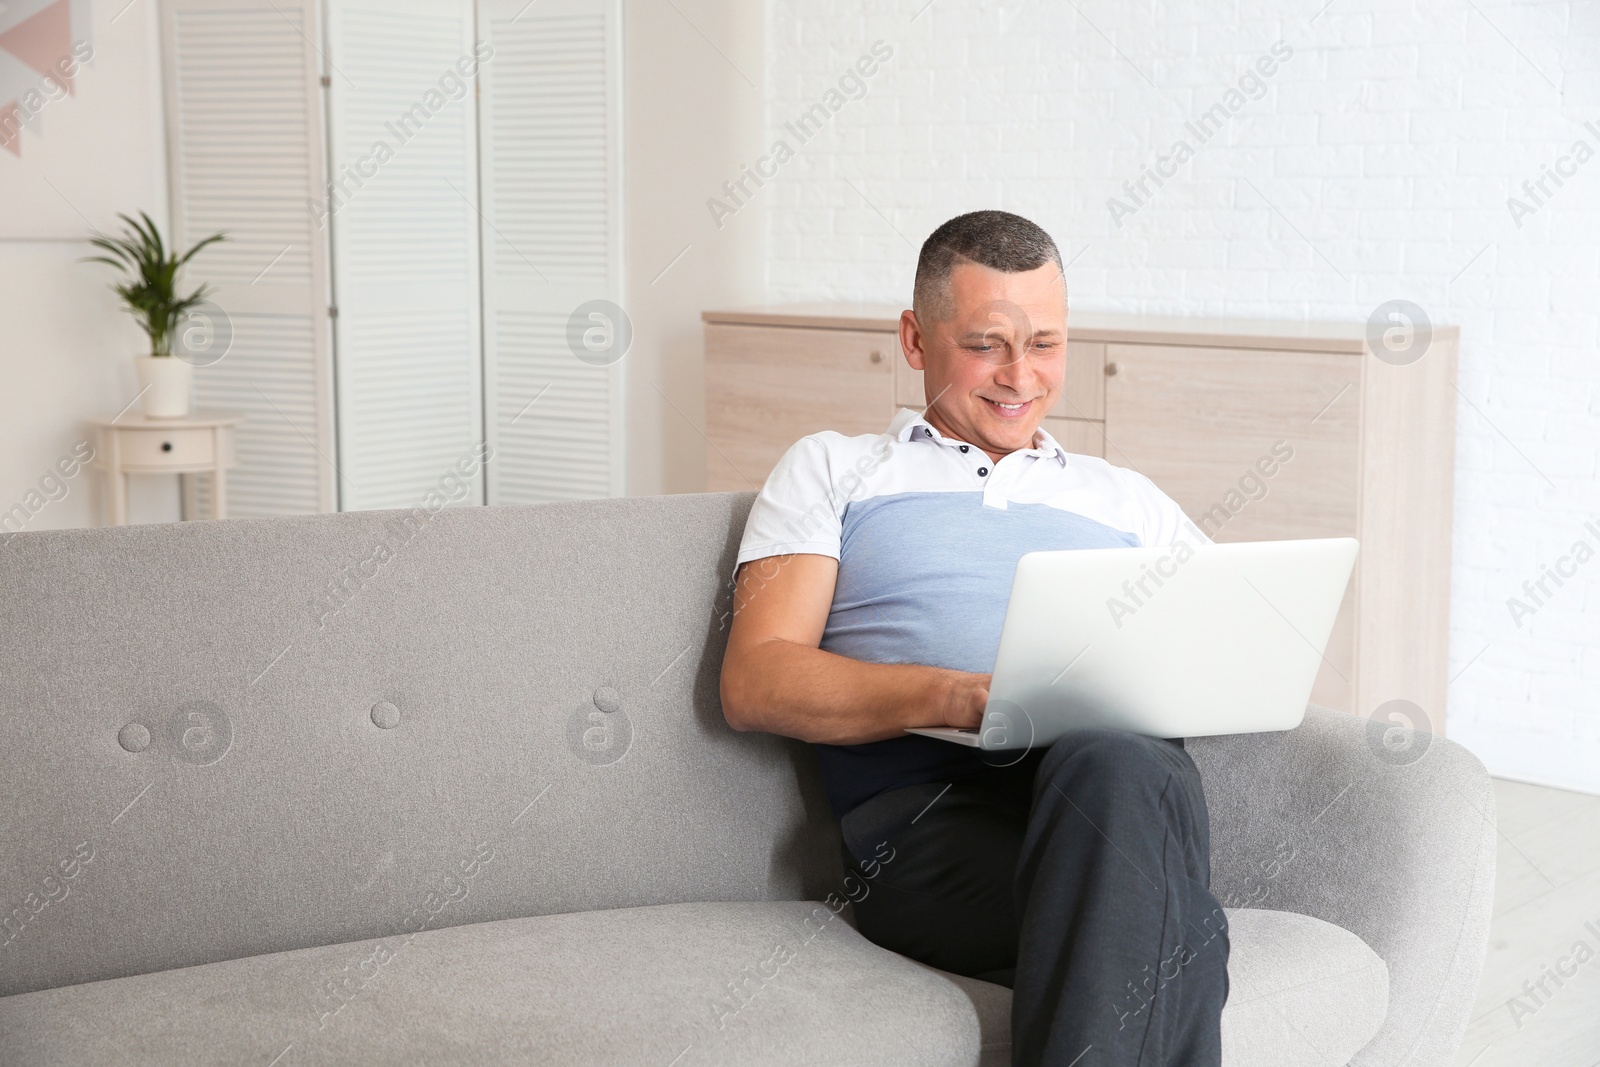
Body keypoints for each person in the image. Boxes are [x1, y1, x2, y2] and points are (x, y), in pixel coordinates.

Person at [718, 209, 1228, 1066]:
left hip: (1120, 795)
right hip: (930, 826)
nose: (1020, 376)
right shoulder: (835, 469)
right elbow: (758, 678)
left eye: (1046, 345)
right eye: (986, 343)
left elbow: (1232, 646)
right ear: (916, 339)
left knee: (1115, 765)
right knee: (1182, 934)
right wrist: (964, 693)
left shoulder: (1128, 499)